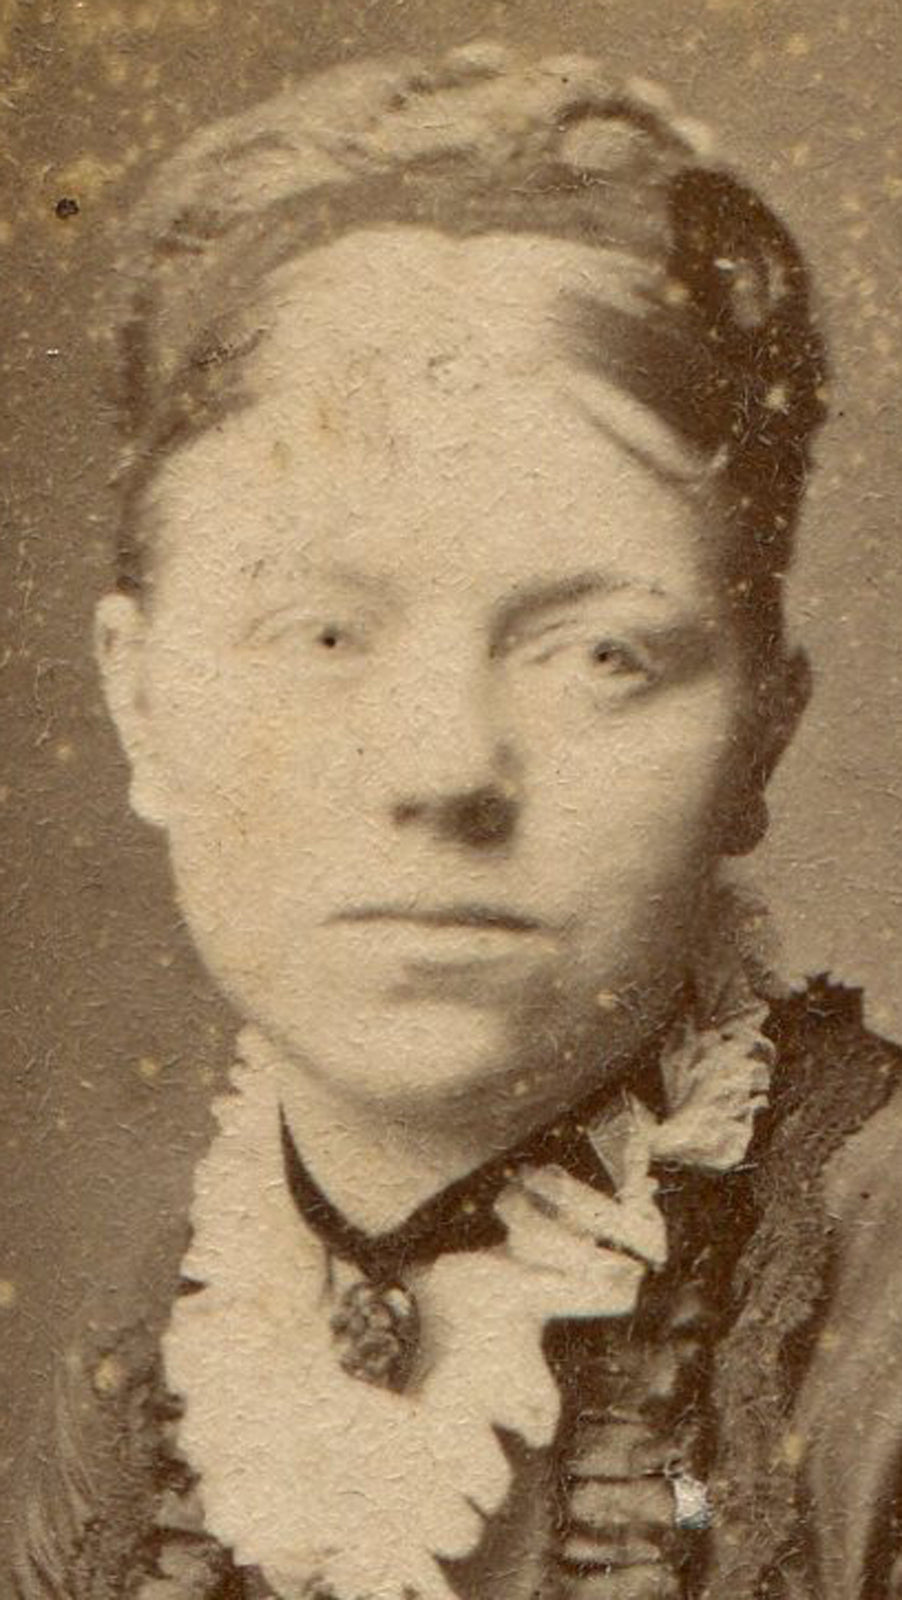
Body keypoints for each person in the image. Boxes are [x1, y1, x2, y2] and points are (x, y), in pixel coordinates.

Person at [12, 40, 902, 1600]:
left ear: (763, 733)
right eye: (323, 634)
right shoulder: (141, 1382)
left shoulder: (865, 1318)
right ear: (139, 701)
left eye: (600, 654)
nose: (442, 765)